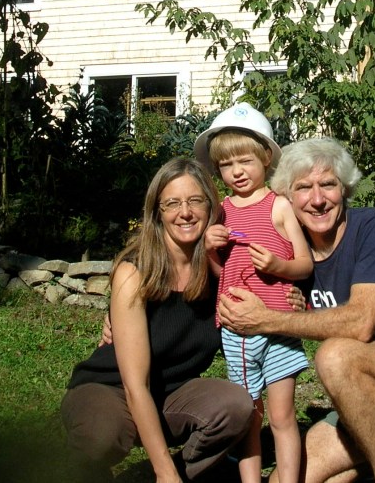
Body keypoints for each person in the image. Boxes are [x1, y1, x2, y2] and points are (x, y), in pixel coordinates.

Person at [218, 137, 375, 483]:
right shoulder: (295, 257)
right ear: (287, 197)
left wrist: (271, 320)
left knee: (336, 354)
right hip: (364, 396)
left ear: (345, 189)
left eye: (328, 185)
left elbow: (361, 323)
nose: (318, 199)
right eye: (304, 188)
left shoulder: (374, 228)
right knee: (289, 479)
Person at [61, 157, 254, 483]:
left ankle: (150, 477)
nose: (186, 212)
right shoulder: (134, 271)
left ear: (211, 207)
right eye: (172, 203)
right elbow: (135, 385)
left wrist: (291, 299)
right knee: (102, 434)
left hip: (173, 393)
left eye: (195, 200)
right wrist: (166, 473)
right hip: (111, 389)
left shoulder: (220, 269)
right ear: (157, 212)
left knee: (235, 406)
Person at [194, 103, 313, 483]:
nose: (237, 172)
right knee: (249, 416)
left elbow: (305, 264)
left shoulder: (278, 205)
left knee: (281, 416)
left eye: (244, 161)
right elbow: (221, 274)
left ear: (266, 157)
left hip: (278, 329)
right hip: (238, 332)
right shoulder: (221, 212)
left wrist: (278, 267)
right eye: (227, 166)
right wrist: (211, 250)